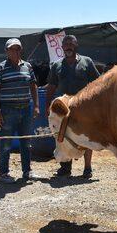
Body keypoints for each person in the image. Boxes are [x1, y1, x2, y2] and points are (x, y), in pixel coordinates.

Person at [46, 35, 100, 178]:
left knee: (87, 137)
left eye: (71, 44)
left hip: (84, 107)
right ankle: (65, 167)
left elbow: (97, 83)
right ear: (62, 47)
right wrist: (47, 106)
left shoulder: (87, 62)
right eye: (66, 44)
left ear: (76, 46)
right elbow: (51, 86)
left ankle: (87, 168)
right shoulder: (56, 65)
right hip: (62, 108)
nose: (68, 46)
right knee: (63, 136)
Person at [0, 38, 41, 183]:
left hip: (26, 109)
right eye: (12, 49)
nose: (15, 51)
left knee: (26, 142)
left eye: (18, 48)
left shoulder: (28, 66)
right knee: (6, 143)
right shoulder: (0, 68)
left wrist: (36, 106)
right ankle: (4, 174)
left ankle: (27, 172)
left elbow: (33, 86)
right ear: (6, 51)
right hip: (8, 111)